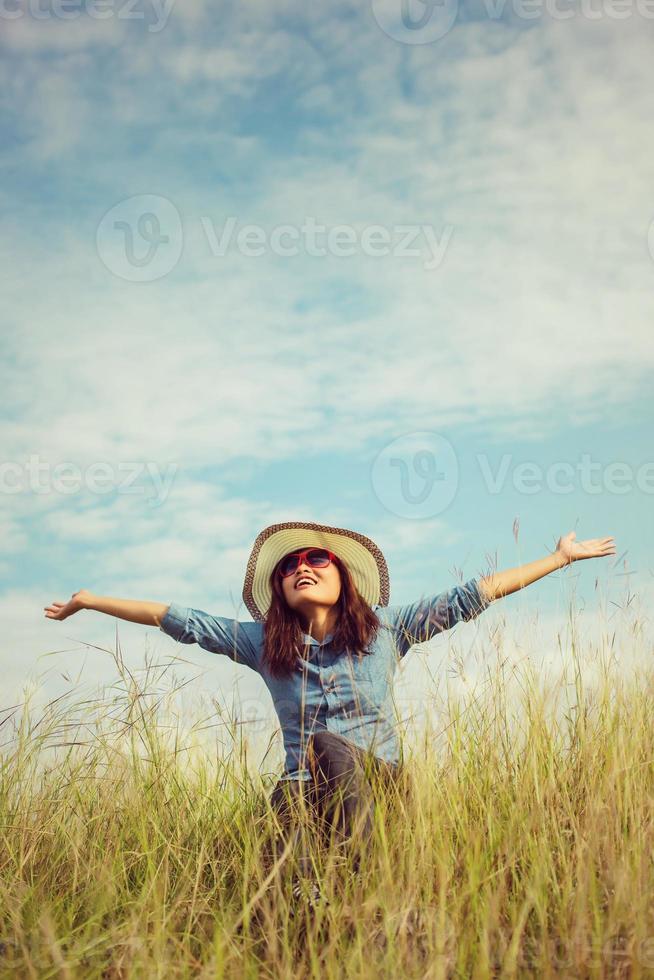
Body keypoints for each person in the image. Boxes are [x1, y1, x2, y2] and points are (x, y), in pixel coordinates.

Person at [44, 521, 616, 911]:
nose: (302, 567)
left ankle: (367, 881)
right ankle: (298, 912)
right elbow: (180, 618)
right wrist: (90, 599)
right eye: (290, 565)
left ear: (343, 576)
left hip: (381, 789)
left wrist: (560, 559)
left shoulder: (388, 631)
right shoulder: (262, 647)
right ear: (280, 587)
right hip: (305, 798)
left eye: (317, 558)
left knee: (327, 746)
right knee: (280, 829)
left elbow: (475, 593)